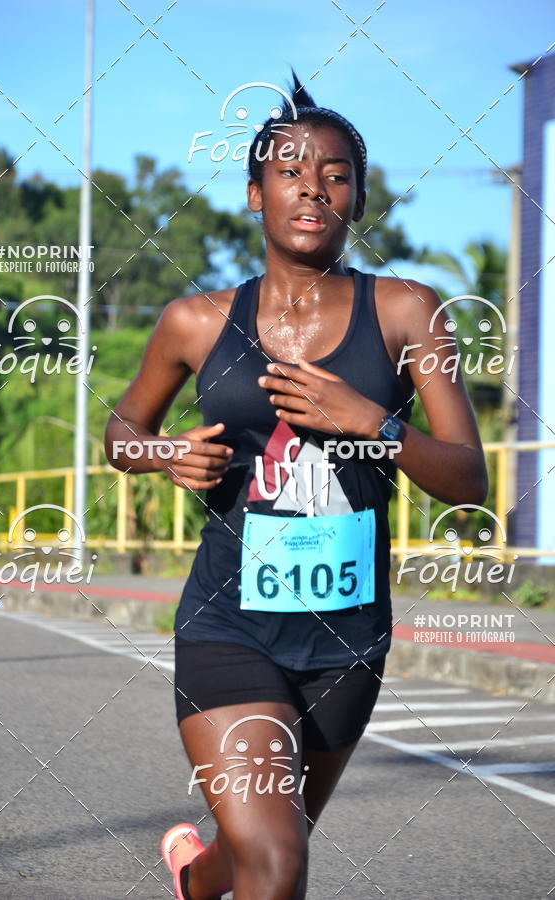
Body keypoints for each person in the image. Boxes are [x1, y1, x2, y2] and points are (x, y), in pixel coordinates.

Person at [104, 71, 488, 900]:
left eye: (336, 173)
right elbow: (121, 434)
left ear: (357, 197)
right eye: (289, 169)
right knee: (278, 866)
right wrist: (163, 454)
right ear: (255, 192)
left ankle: (192, 876)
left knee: (258, 857)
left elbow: (467, 479)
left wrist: (375, 422)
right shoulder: (195, 322)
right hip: (227, 625)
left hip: (348, 639)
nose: (313, 186)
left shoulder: (407, 313)